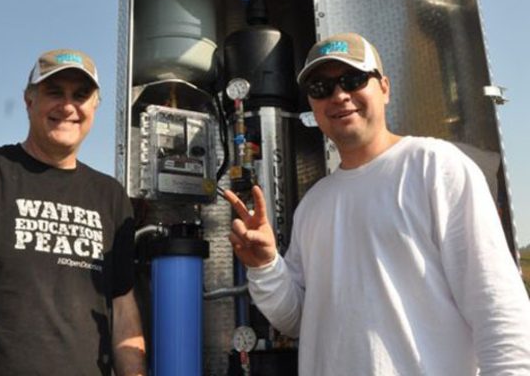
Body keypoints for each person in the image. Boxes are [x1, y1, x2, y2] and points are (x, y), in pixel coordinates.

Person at [225, 33, 530, 375]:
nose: (339, 95)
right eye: (321, 88)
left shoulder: (434, 166)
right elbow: (297, 320)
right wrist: (265, 266)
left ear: (384, 88)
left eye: (353, 79)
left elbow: (498, 308)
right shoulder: (313, 204)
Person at [0, 49, 146, 375]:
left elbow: (123, 309)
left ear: (95, 107)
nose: (68, 106)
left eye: (80, 95)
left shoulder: (110, 196)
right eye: (54, 92)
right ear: (29, 100)